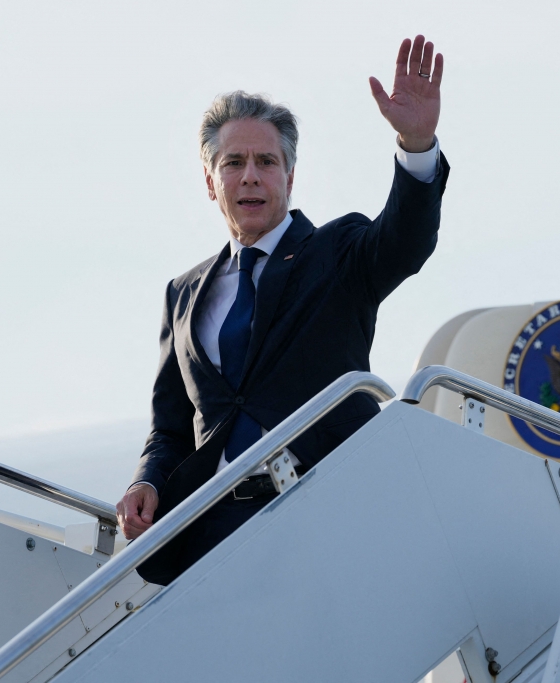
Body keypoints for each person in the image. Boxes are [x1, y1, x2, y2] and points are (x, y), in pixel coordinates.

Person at [115, 35, 448, 584]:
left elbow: (406, 240)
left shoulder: (337, 253)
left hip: (326, 511)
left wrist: (417, 146)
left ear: (289, 177)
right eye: (233, 162)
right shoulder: (183, 293)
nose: (250, 175)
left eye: (266, 161)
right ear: (211, 182)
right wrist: (146, 480)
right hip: (214, 530)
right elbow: (172, 428)